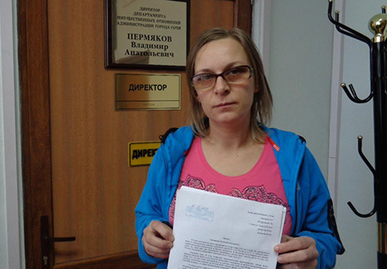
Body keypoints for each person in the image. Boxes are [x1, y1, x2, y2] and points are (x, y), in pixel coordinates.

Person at [135, 27, 344, 269]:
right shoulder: (173, 152)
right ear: (196, 93)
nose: (221, 87)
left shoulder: (293, 156)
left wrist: (314, 254)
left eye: (235, 72)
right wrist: (149, 240)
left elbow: (326, 240)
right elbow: (146, 218)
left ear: (256, 81)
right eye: (205, 77)